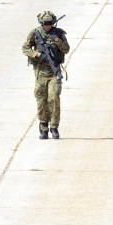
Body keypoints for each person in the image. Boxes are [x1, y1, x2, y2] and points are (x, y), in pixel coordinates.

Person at [22, 11, 70, 139]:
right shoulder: (35, 33)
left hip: (54, 71)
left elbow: (66, 49)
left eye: (50, 24)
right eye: (45, 24)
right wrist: (36, 54)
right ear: (41, 23)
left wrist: (58, 41)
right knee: (41, 100)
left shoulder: (58, 33)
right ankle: (43, 127)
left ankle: (54, 127)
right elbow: (25, 48)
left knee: (53, 98)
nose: (47, 26)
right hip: (40, 72)